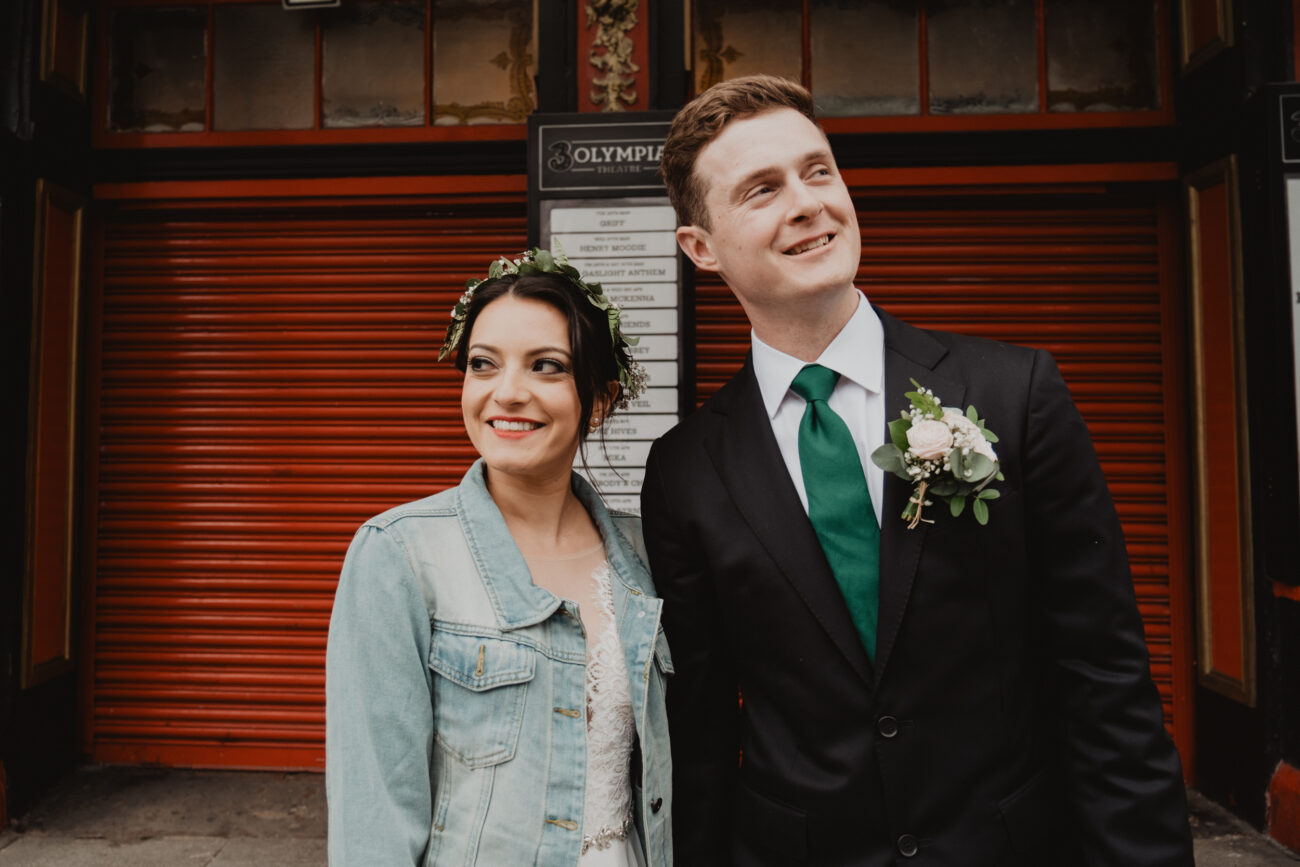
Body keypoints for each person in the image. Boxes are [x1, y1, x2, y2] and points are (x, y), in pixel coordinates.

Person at [641, 75, 1193, 866]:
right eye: (762, 190)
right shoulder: (686, 469)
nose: (806, 202)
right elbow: (699, 728)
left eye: (818, 170)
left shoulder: (1014, 393)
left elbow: (1104, 674)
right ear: (701, 247)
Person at [326, 249, 673, 866]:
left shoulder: (649, 555)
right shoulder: (399, 554)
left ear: (598, 400)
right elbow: (372, 816)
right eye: (483, 364)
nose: (507, 393)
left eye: (546, 366)